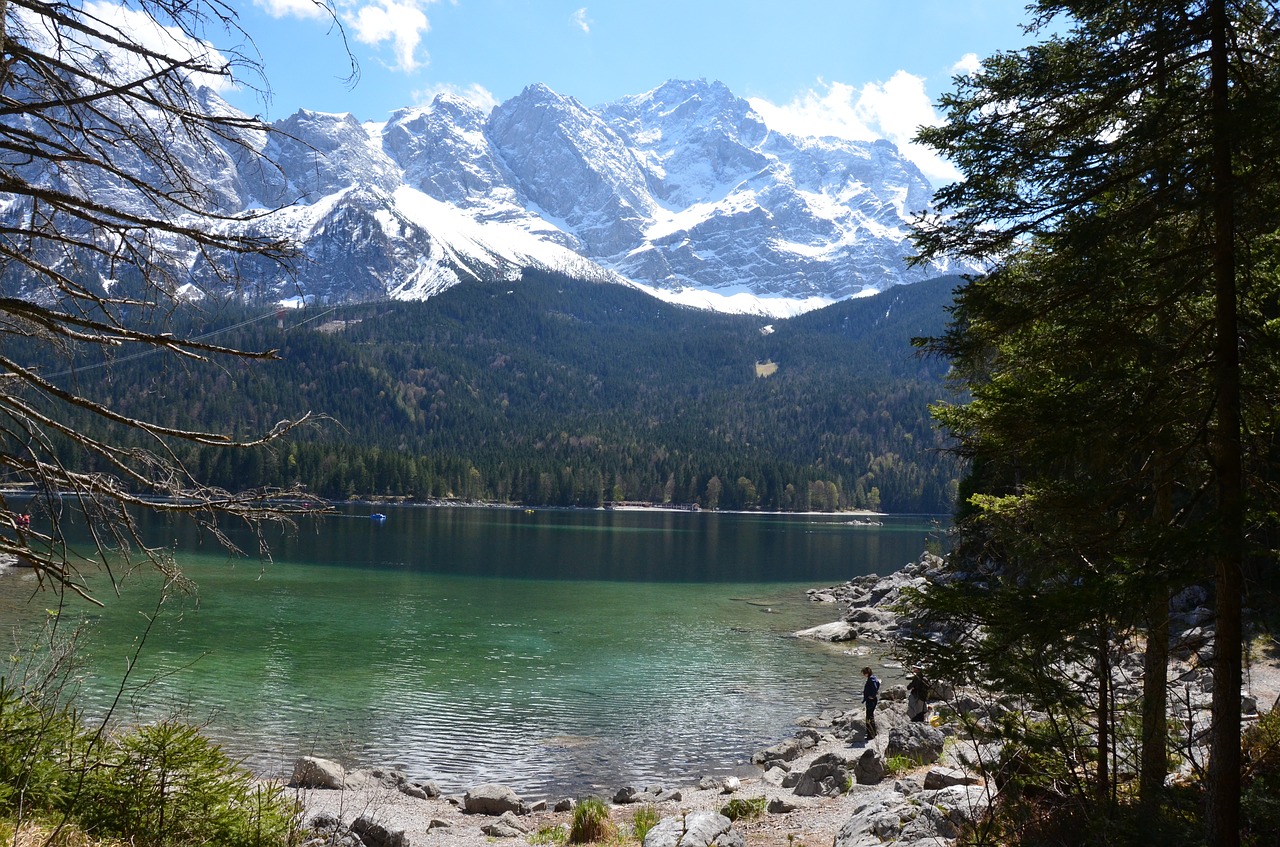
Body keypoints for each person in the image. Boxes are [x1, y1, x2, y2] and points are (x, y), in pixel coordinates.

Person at [861, 666, 881, 739]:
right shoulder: (873, 678)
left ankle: (870, 734)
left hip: (871, 700)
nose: (863, 675)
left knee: (869, 717)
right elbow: (878, 684)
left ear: (867, 673)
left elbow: (875, 687)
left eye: (864, 673)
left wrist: (872, 695)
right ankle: (873, 733)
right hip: (872, 700)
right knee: (870, 716)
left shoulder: (871, 679)